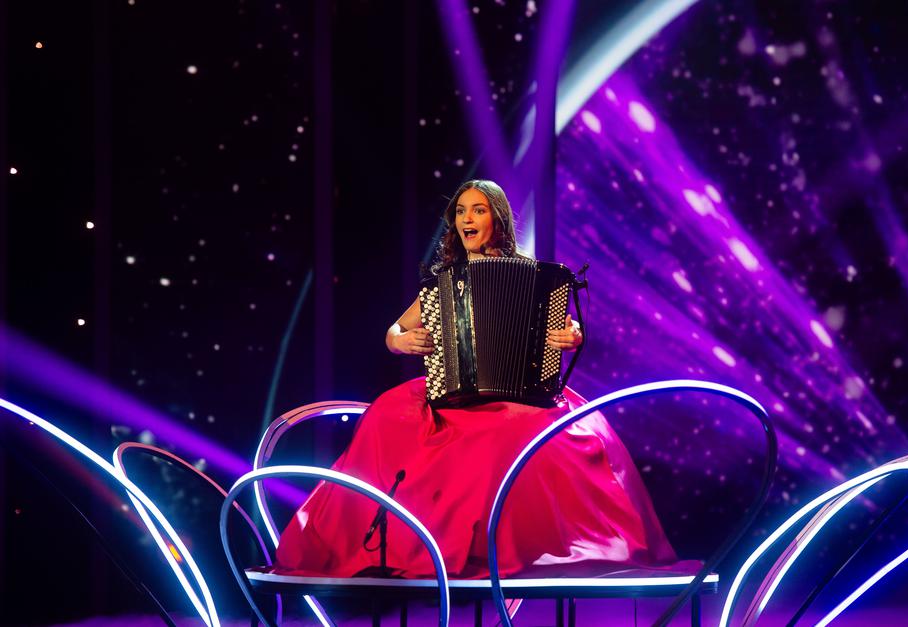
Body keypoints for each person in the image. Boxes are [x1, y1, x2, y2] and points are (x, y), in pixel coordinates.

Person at [275, 180, 685, 579]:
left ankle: (507, 550)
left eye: (478, 210)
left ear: (498, 219)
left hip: (522, 392)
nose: (466, 219)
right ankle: (399, 544)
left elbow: (566, 326)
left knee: (524, 435)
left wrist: (572, 333)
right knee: (385, 416)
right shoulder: (444, 281)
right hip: (454, 391)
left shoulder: (533, 276)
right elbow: (394, 331)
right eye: (460, 211)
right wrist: (401, 341)